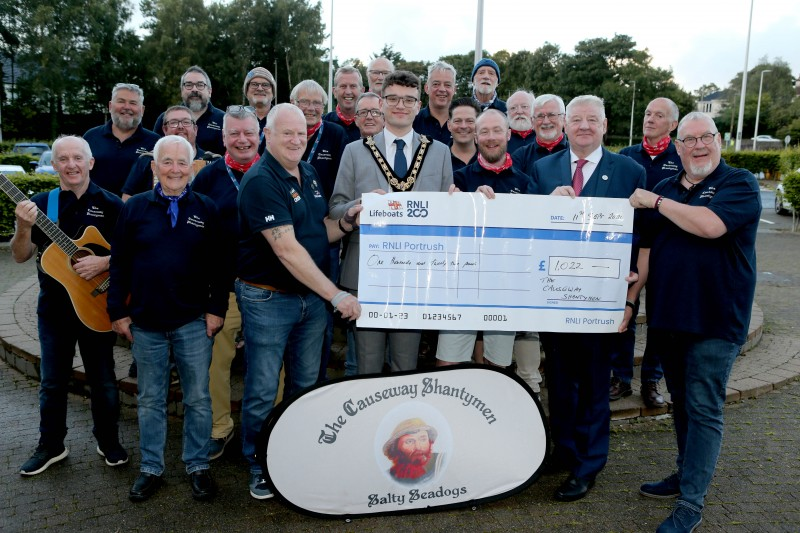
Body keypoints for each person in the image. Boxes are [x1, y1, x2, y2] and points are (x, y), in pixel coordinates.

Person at [625, 112, 760, 532]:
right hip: (670, 317)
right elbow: (645, 251)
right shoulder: (665, 186)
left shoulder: (739, 183)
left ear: (718, 141)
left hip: (716, 320)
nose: (699, 146)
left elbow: (710, 227)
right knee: (682, 402)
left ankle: (691, 503)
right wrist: (630, 300)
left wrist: (658, 203)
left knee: (703, 407)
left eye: (707, 138)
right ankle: (685, 474)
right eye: (690, 140)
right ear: (677, 146)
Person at [236, 103, 362, 500]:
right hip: (269, 300)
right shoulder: (260, 181)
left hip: (310, 301)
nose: (295, 139)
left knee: (307, 384)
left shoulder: (307, 173)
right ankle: (258, 462)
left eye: (301, 132)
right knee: (262, 386)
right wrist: (337, 293)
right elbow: (288, 250)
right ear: (266, 135)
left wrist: (347, 221)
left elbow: (315, 233)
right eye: (285, 132)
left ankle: (295, 453)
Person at [531, 95, 645, 502]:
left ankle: (589, 463)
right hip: (554, 298)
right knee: (560, 382)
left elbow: (643, 240)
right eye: (575, 119)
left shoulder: (630, 171)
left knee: (595, 383)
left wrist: (631, 297)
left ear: (604, 124)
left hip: (601, 300)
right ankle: (565, 449)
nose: (582, 126)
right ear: (564, 124)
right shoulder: (542, 169)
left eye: (590, 120)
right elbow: (526, 226)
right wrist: (545, 207)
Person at [108, 135, 228, 502]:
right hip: (146, 324)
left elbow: (221, 266)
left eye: (182, 162)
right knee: (150, 399)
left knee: (197, 398)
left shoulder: (207, 208)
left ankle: (197, 465)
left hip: (193, 321)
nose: (175, 169)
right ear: (154, 167)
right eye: (167, 162)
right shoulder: (134, 208)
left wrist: (216, 310)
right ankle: (151, 468)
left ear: (191, 168)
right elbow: (120, 263)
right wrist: (118, 311)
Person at [13, 136, 127, 476]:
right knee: (52, 381)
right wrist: (22, 226)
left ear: (91, 162)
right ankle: (51, 445)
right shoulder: (39, 205)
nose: (71, 164)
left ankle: (108, 440)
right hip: (54, 310)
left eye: (78, 157)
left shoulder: (111, 205)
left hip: (96, 305)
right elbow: (20, 256)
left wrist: (105, 262)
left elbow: (133, 252)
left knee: (104, 379)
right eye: (63, 158)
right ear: (55, 164)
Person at [329, 70, 453, 376]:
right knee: (366, 367)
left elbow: (448, 221)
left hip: (415, 277)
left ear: (418, 104)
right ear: (382, 102)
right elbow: (334, 208)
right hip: (364, 275)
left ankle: (402, 424)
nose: (401, 105)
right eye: (394, 98)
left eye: (409, 100)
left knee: (405, 366)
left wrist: (457, 204)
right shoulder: (355, 151)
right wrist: (357, 207)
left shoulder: (439, 153)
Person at [437, 109, 533, 368]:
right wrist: (466, 202)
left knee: (496, 368)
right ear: (476, 138)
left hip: (504, 288)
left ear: (509, 134)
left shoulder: (526, 184)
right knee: (448, 364)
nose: (491, 137)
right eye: (485, 132)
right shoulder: (459, 179)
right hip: (461, 287)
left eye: (497, 130)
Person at [191, 106, 261, 460]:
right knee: (215, 362)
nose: (242, 139)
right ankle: (220, 428)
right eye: (234, 133)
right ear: (223, 138)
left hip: (268, 290)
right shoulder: (207, 178)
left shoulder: (277, 170)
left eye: (249, 132)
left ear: (260, 133)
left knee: (268, 365)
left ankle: (266, 430)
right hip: (226, 289)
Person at [611, 97, 683, 407]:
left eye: (659, 115)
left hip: (668, 249)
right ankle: (621, 376)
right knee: (624, 308)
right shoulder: (627, 156)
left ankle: (651, 379)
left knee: (660, 316)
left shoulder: (681, 157)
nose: (650, 119)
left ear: (673, 124)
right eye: (647, 113)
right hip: (632, 247)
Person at [290, 79, 349, 380]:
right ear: (293, 104)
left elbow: (341, 185)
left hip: (324, 235)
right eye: (305, 102)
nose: (311, 108)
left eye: (317, 103)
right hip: (287, 232)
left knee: (324, 313)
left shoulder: (335, 133)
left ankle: (318, 379)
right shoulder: (286, 131)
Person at [83, 83, 160, 196]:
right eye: (121, 101)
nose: (127, 107)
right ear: (110, 106)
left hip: (137, 212)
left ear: (142, 110)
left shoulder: (155, 142)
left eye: (133, 103)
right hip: (94, 211)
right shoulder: (91, 137)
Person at [121, 105, 208, 201]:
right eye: (173, 122)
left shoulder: (211, 161)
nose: (180, 126)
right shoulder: (147, 160)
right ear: (165, 130)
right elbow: (127, 198)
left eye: (186, 122)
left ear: (195, 129)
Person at [153, 66, 225, 155]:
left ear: (209, 91)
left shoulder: (223, 120)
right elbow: (155, 153)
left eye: (200, 85)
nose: (194, 89)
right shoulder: (165, 118)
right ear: (181, 91)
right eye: (189, 85)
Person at [511, 94, 569, 177]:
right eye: (540, 116)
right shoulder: (520, 157)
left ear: (564, 119)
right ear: (532, 122)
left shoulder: (575, 153)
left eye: (551, 115)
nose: (546, 121)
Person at [382, 419, 443, 485]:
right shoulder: (387, 477)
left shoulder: (441, 461)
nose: (418, 447)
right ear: (396, 448)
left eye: (423, 439)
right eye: (409, 441)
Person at [412, 61, 457, 145]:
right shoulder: (413, 121)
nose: (442, 89)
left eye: (447, 85)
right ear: (426, 88)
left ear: (454, 89)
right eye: (436, 84)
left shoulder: (462, 123)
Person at [323, 65, 364, 142]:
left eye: (353, 86)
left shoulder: (371, 124)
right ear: (334, 92)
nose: (348, 92)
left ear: (362, 91)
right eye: (343, 86)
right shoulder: (322, 124)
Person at [242, 66, 277, 154]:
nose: (260, 88)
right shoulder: (236, 118)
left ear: (273, 92)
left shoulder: (282, 119)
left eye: (265, 85)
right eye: (254, 84)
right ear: (246, 91)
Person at [448, 97, 480, 171]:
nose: (463, 126)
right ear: (449, 125)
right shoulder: (438, 158)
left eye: (470, 121)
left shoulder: (488, 158)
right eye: (457, 121)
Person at [506, 90, 537, 154]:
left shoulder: (543, 135)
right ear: (507, 113)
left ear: (534, 110)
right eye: (513, 108)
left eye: (524, 106)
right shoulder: (502, 138)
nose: (519, 111)